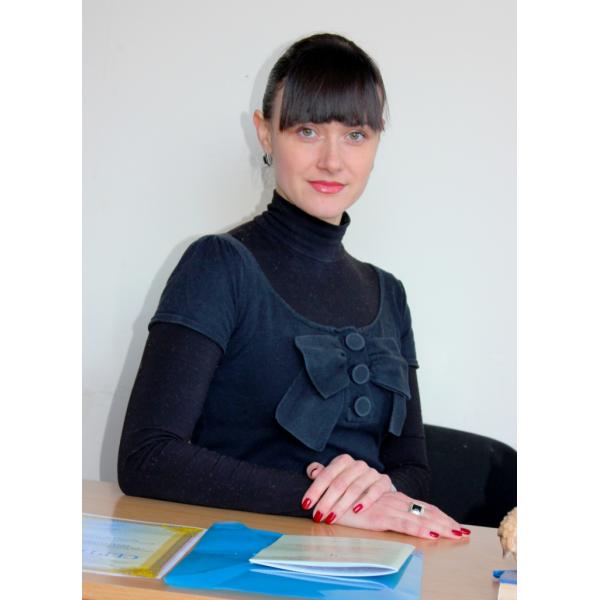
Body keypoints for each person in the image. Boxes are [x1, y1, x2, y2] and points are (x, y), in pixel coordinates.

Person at [118, 33, 470, 540]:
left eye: (356, 135)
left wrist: (373, 493)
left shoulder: (390, 293)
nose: (332, 160)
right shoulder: (218, 266)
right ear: (265, 134)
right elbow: (146, 457)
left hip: (364, 565)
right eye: (307, 131)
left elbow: (412, 469)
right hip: (234, 560)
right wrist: (324, 502)